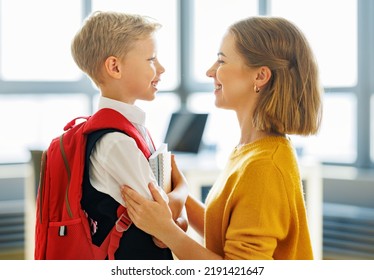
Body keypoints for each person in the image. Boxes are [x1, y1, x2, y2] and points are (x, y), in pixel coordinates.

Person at [121, 16, 322, 260]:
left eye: (221, 61)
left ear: (260, 77)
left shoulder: (265, 165)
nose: (210, 71)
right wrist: (179, 190)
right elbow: (226, 231)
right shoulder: (250, 150)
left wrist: (166, 231)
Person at [71, 11, 188, 259]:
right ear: (115, 67)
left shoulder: (130, 128)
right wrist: (183, 189)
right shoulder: (116, 142)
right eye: (151, 60)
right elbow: (161, 229)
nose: (162, 68)